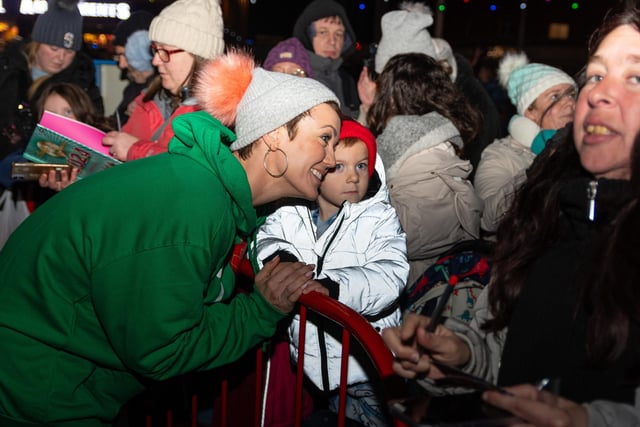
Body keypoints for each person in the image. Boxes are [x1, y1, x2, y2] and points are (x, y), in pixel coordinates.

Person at [0, 48, 342, 425]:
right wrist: (259, 311)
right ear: (275, 135)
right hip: (36, 387)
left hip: (53, 378)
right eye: (325, 138)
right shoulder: (194, 202)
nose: (332, 158)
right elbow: (161, 350)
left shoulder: (206, 190)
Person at [382, 6, 640, 426]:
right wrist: (460, 353)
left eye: (634, 78)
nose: (597, 94)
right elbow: (502, 343)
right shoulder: (542, 209)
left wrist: (590, 420)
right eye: (594, 75)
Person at [255, 118, 409, 426]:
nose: (353, 177)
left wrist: (334, 288)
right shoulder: (292, 211)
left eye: (362, 166)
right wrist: (280, 258)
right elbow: (266, 237)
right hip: (311, 364)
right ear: (318, 168)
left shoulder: (378, 219)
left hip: (363, 367)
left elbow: (390, 274)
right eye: (339, 167)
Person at [367, 52, 483, 285]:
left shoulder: (427, 155)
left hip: (414, 295)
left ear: (393, 98)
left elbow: (408, 236)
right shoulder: (420, 144)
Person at [359, 2, 501, 178]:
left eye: (385, 81)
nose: (382, 89)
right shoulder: (442, 110)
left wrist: (371, 110)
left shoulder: (470, 103)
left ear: (403, 84)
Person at [102, 0, 223, 162]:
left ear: (196, 55)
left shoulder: (216, 115)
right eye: (155, 50)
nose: (155, 61)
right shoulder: (150, 97)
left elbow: (190, 171)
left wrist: (135, 150)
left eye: (164, 51)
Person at [474, 52, 576, 234]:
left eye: (572, 94)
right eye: (555, 97)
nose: (570, 103)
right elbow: (489, 219)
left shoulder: (584, 151)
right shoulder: (502, 155)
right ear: (530, 112)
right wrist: (544, 162)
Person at [33, 82, 115, 191]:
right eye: (52, 115)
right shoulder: (41, 151)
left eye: (68, 112)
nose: (61, 120)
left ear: (82, 111)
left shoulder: (107, 139)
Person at [292, 0, 360, 118]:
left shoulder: (347, 81)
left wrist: (368, 107)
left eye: (338, 34)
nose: (332, 41)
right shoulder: (295, 75)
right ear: (309, 36)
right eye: (323, 32)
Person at [111, 10, 155, 126]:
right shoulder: (132, 89)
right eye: (118, 56)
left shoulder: (161, 94)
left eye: (126, 56)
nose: (122, 65)